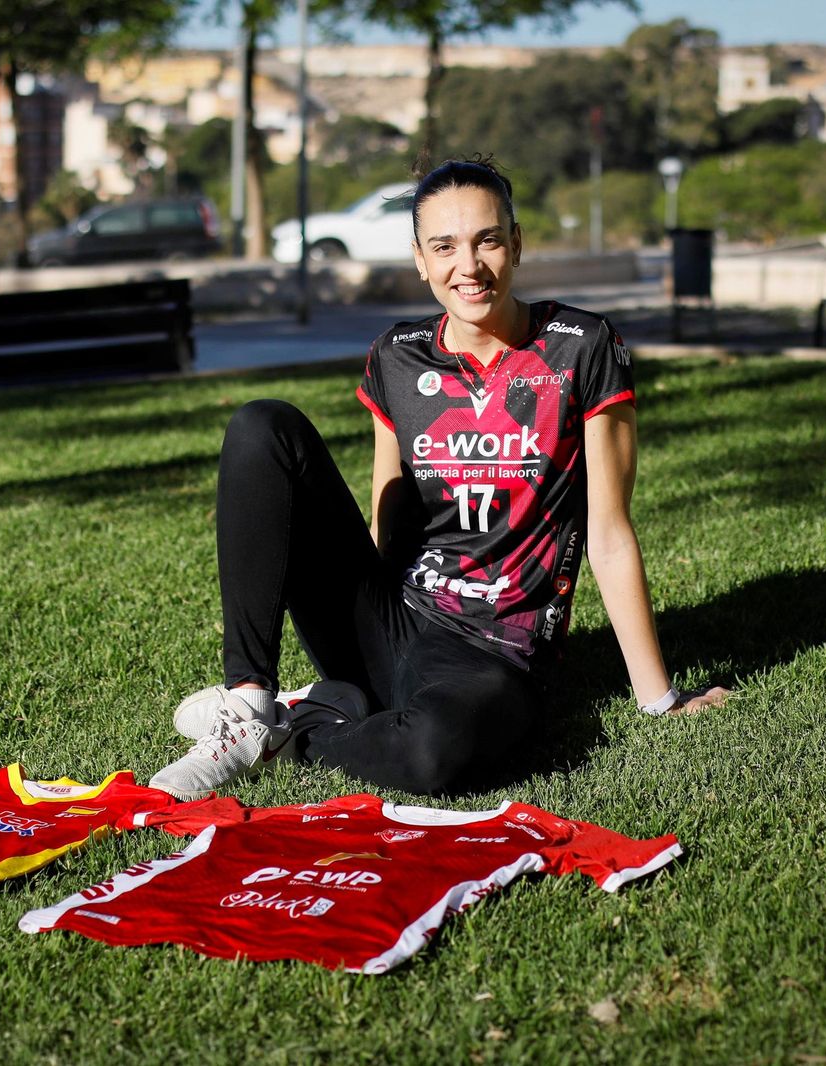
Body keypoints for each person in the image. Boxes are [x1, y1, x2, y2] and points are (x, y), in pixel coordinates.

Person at [150, 157, 728, 801]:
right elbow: (388, 518)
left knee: (430, 753)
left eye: (487, 240)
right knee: (263, 427)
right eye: (444, 247)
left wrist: (660, 699)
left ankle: (299, 730)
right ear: (421, 260)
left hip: (494, 652)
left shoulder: (582, 347)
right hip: (397, 616)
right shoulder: (396, 356)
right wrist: (371, 631)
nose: (469, 266)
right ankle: (250, 702)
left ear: (516, 243)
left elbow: (611, 533)